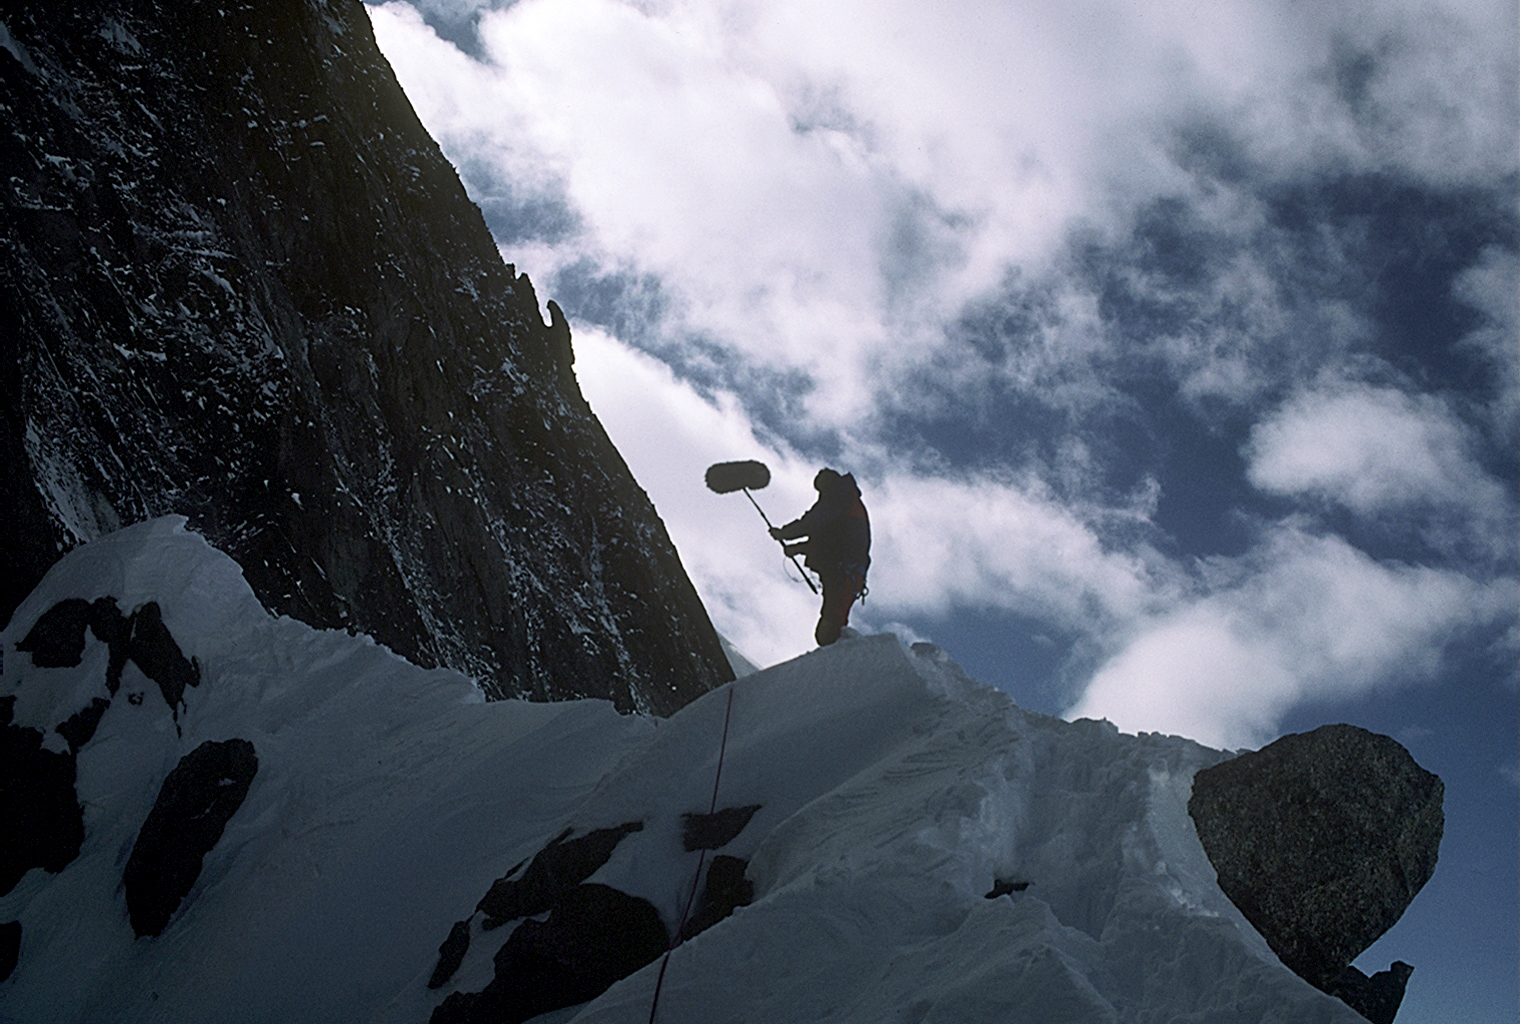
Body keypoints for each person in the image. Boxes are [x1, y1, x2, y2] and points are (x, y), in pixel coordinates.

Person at [770, 468, 871, 646]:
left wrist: (785, 533)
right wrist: (797, 548)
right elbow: (829, 541)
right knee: (830, 626)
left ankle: (845, 660)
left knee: (829, 630)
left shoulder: (838, 497)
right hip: (845, 572)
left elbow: (814, 522)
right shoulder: (844, 503)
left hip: (843, 572)